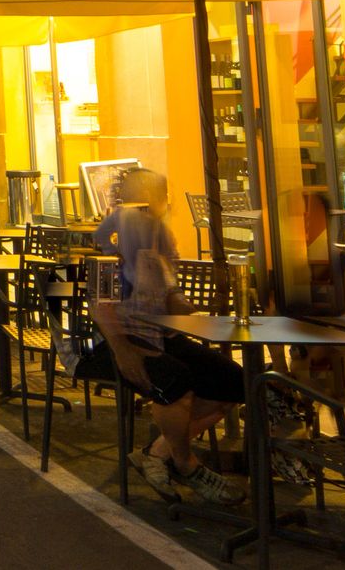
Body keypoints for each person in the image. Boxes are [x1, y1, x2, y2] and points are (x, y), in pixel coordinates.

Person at [92, 168, 245, 506]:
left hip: (158, 333)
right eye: (149, 199)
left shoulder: (162, 238)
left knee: (234, 381)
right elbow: (100, 304)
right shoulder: (111, 241)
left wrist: (199, 309)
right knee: (176, 384)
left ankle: (157, 453)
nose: (158, 206)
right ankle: (187, 465)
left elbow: (171, 295)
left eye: (159, 198)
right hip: (112, 336)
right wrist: (122, 349)